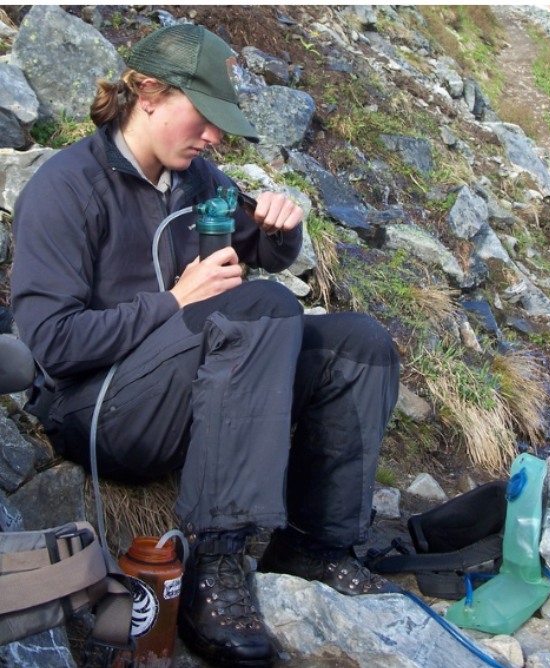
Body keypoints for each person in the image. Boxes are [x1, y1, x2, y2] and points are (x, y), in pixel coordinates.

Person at [10, 23, 401, 668]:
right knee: (263, 309)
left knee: (356, 343)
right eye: (206, 117)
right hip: (98, 409)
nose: (215, 136)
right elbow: (52, 345)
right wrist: (174, 301)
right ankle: (213, 563)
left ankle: (317, 544)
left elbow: (252, 246)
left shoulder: (197, 180)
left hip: (193, 389)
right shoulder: (65, 188)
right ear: (150, 93)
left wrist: (280, 229)